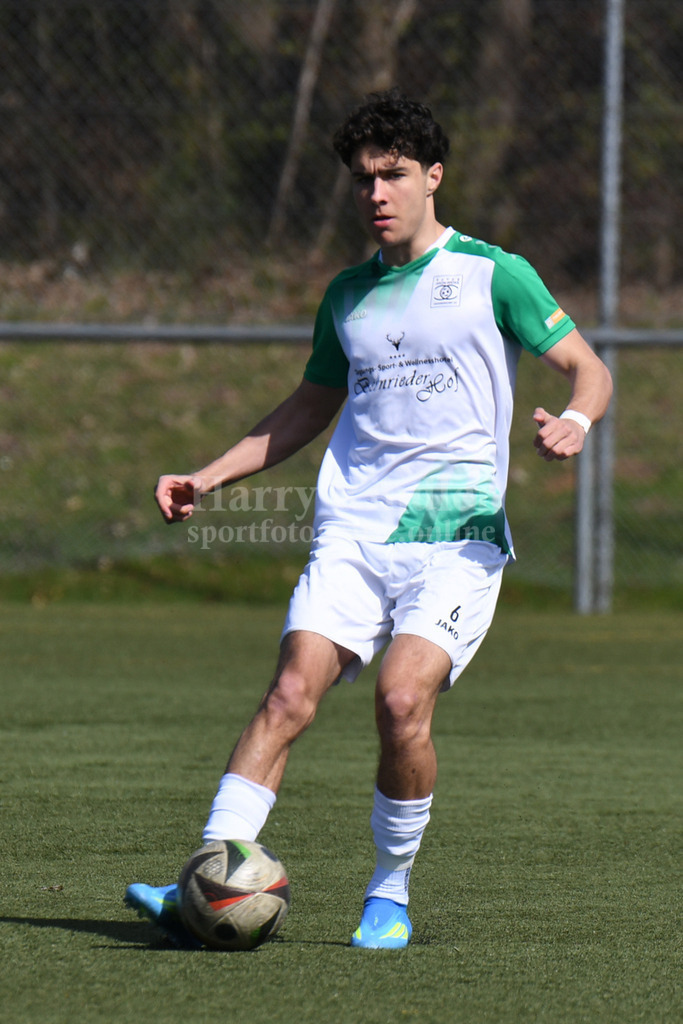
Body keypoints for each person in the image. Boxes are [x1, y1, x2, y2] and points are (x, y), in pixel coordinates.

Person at [125, 89, 612, 949]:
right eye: (361, 180)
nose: (375, 194)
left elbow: (587, 368)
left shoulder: (493, 274)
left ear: (432, 177)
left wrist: (575, 419)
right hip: (352, 532)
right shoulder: (346, 294)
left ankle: (388, 891)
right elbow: (307, 406)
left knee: (398, 701)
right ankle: (207, 876)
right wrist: (210, 475)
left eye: (391, 176)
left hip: (456, 540)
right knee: (287, 695)